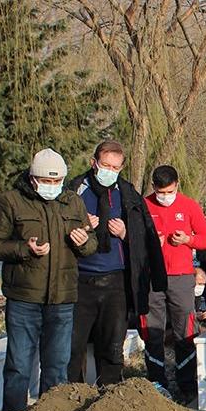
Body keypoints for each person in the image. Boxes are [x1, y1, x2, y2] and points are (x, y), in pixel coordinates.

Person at [0, 148, 96, 411]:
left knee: (57, 367)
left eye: (57, 182)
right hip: (24, 298)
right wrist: (24, 249)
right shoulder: (11, 201)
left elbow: (92, 243)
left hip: (62, 298)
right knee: (19, 366)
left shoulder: (72, 202)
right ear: (33, 179)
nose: (52, 187)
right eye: (47, 182)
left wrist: (84, 243)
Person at [67, 141, 167, 389]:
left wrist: (126, 233)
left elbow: (146, 236)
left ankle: (108, 394)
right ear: (94, 163)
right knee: (73, 345)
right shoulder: (74, 191)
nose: (109, 171)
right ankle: (70, 394)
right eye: (105, 165)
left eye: (115, 167)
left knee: (112, 345)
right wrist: (78, 226)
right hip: (79, 280)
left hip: (116, 282)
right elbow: (57, 226)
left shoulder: (128, 194)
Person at [140, 164, 206, 402]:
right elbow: (131, 240)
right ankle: (156, 382)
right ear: (153, 188)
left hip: (181, 277)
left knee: (185, 331)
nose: (165, 197)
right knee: (153, 331)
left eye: (170, 192)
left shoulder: (189, 205)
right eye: (161, 192)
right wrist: (150, 244)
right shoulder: (144, 205)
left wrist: (188, 239)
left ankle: (188, 385)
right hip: (152, 278)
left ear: (177, 186)